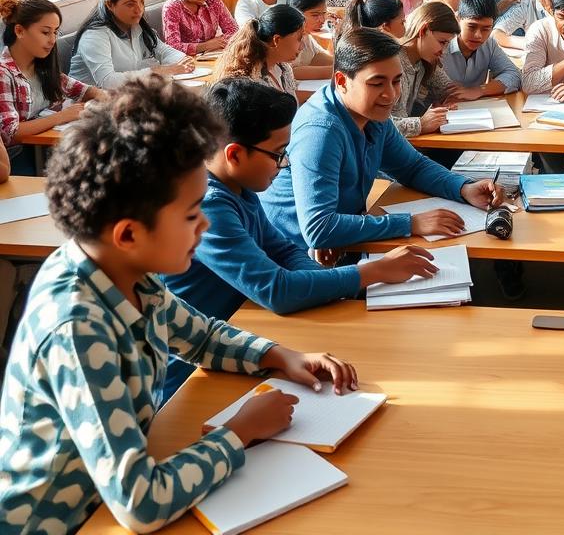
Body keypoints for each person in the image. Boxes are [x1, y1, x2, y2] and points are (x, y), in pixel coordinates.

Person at [0, 76, 358, 535]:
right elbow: (140, 503)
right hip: (61, 523)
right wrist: (239, 433)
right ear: (129, 233)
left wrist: (280, 356)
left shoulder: (125, 272)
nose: (204, 222)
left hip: (105, 493)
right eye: (191, 213)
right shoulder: (77, 327)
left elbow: (201, 335)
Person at [164, 79, 435, 398]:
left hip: (251, 337)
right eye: (278, 154)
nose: (285, 164)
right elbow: (276, 290)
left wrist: (329, 283)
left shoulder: (238, 186)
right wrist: (371, 273)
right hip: (193, 378)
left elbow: (283, 250)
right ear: (235, 155)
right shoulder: (208, 206)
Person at [263, 27, 503, 259]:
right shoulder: (321, 132)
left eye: (396, 81)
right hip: (290, 253)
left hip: (339, 240)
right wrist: (411, 222)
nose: (391, 94)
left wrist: (463, 188)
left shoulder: (372, 116)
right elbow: (319, 228)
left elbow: (411, 166)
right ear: (342, 81)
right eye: (377, 83)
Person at [0, 0, 103, 173]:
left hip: (48, 152)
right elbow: (11, 134)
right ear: (19, 31)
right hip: (18, 160)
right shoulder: (3, 74)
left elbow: (84, 90)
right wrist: (60, 117)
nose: (52, 40)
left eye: (56, 32)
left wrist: (106, 99)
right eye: (45, 32)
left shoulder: (43, 67)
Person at [70, 0, 191, 89]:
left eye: (142, 1)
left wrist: (183, 62)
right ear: (110, 4)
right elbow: (108, 81)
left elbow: (165, 52)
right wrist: (157, 71)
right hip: (90, 105)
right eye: (130, 4)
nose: (139, 10)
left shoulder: (136, 26)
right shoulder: (94, 36)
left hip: (128, 99)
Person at [392, 1, 459, 136]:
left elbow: (448, 88)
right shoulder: (392, 64)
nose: (443, 51)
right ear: (423, 30)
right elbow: (377, 124)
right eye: (442, 42)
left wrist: (450, 100)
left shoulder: (424, 61)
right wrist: (420, 124)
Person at [212, 4, 305, 100]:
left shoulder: (283, 68)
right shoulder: (250, 84)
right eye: (299, 38)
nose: (303, 46)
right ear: (276, 40)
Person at [442, 0, 521, 99]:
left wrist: (479, 90)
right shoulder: (441, 44)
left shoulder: (489, 44)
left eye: (486, 29)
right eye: (472, 27)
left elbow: (514, 75)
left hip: (478, 108)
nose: (478, 35)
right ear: (457, 19)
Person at [288, 0, 334, 81]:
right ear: (296, 12)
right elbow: (291, 72)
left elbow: (317, 57)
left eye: (324, 13)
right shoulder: (286, 36)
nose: (322, 20)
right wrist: (335, 70)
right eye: (315, 15)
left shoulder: (306, 36)